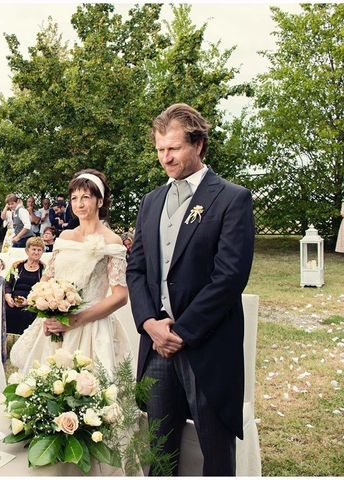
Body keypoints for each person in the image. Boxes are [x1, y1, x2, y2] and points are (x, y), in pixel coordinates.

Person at [127, 103, 255, 476]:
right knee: (160, 454)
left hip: (206, 348)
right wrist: (150, 323)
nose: (165, 158)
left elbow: (229, 276)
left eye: (174, 148)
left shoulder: (232, 198)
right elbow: (137, 269)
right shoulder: (151, 201)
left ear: (198, 145)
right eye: (160, 150)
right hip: (156, 349)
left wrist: (180, 333)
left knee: (215, 455)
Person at [10, 169, 133, 377]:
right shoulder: (65, 236)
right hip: (55, 324)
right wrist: (46, 312)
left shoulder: (112, 241)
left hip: (91, 327)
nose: (80, 203)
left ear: (100, 201)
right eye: (74, 198)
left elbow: (120, 296)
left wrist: (76, 320)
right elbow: (48, 279)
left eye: (86, 197)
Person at [5, 236, 45, 335]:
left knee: (27, 314)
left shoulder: (44, 270)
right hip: (12, 301)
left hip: (31, 304)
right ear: (27, 251)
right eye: (34, 249)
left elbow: (44, 291)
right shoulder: (17, 265)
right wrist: (8, 296)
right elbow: (7, 283)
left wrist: (29, 302)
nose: (36, 252)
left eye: (39, 250)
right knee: (7, 311)